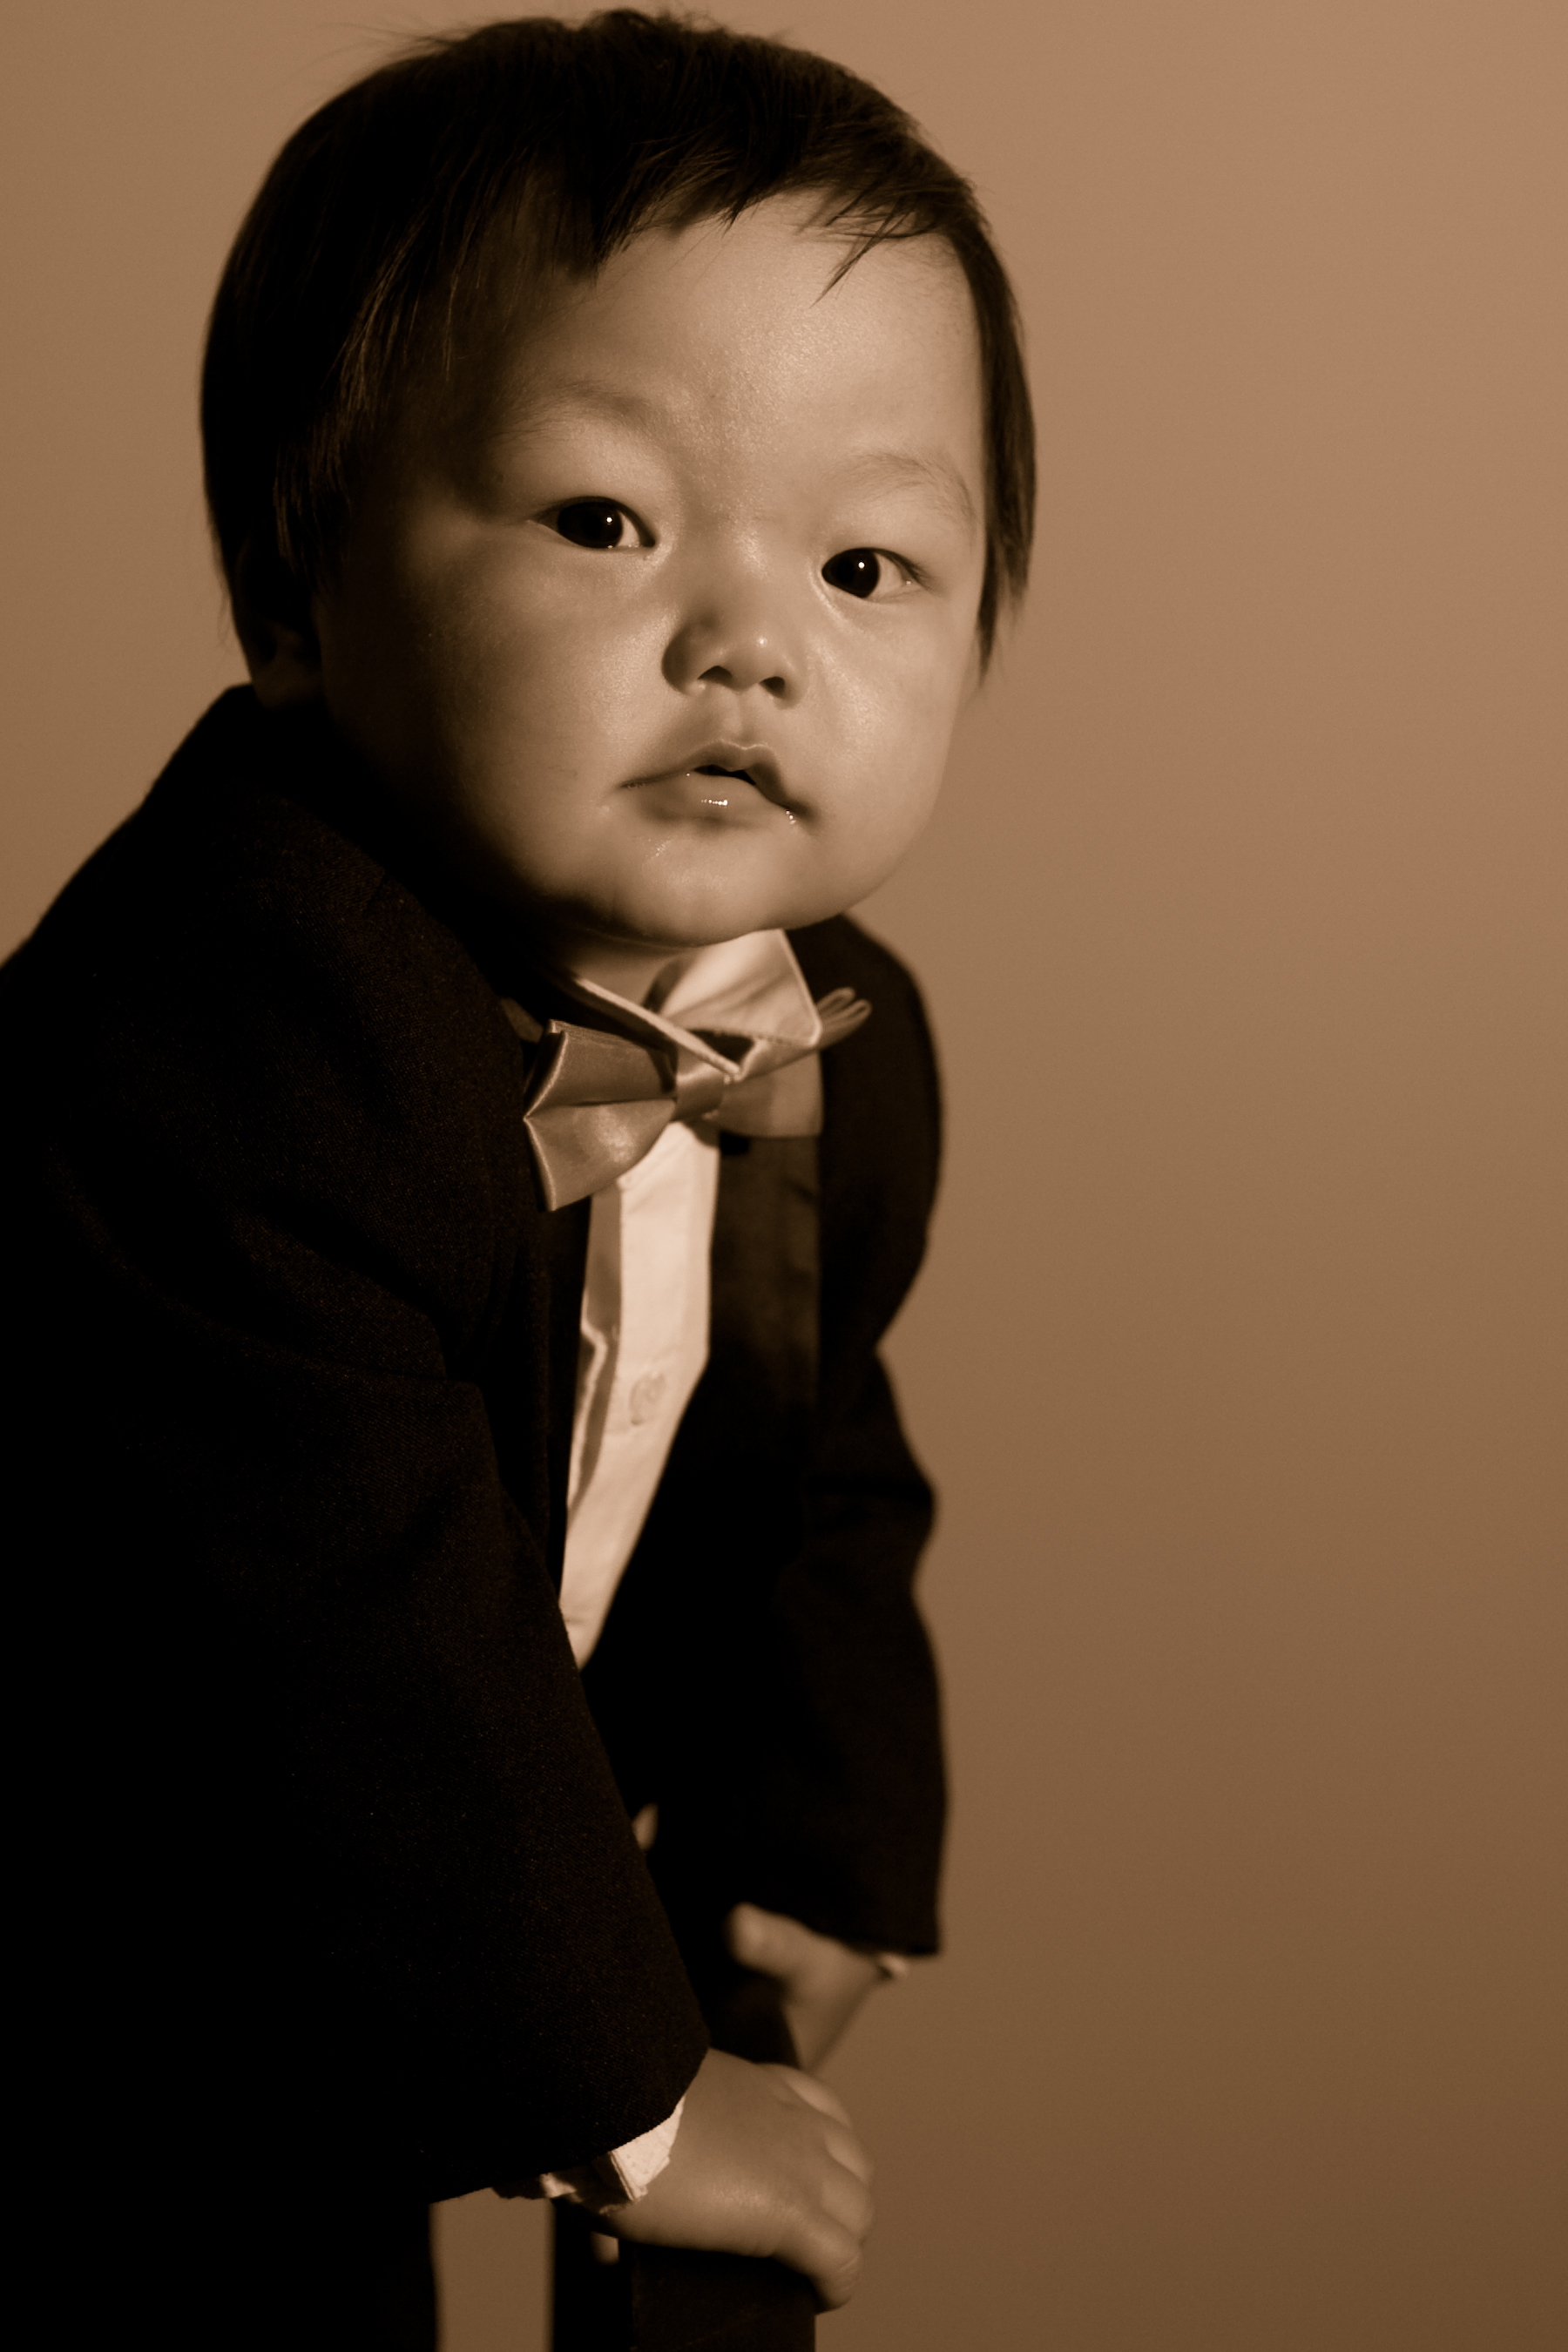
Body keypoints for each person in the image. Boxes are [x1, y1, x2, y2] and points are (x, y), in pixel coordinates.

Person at [4, 12, 1032, 2345]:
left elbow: (815, 1456)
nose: (749, 639)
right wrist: (636, 2099)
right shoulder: (238, 1032)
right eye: (604, 521)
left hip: (395, 1928)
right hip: (116, 1929)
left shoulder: (834, 1046)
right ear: (303, 594)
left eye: (869, 561)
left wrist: (821, 1850)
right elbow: (336, 1642)